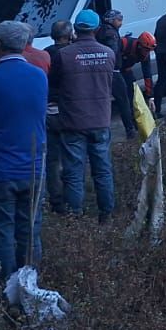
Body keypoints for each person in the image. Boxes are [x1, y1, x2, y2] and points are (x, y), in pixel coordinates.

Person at [0, 22, 48, 277]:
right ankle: (29, 283)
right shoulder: (39, 76)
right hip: (34, 168)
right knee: (30, 231)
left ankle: (4, 286)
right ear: (25, 45)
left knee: (1, 232)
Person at [50, 11, 116, 221]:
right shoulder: (108, 53)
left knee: (73, 173)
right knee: (103, 171)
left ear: (75, 30)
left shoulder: (64, 55)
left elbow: (54, 85)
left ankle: (75, 217)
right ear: (96, 29)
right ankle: (106, 215)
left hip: (73, 122)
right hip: (101, 120)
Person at [42, 21, 73, 210]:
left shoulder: (46, 53)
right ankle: (72, 197)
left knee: (52, 158)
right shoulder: (72, 53)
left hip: (49, 108)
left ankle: (56, 199)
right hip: (69, 109)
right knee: (71, 154)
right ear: (70, 35)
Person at [95, 10, 137, 140]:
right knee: (123, 101)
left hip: (103, 72)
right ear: (112, 20)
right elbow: (111, 53)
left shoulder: (101, 30)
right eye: (119, 19)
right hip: (113, 72)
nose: (121, 22)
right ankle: (130, 129)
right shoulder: (111, 34)